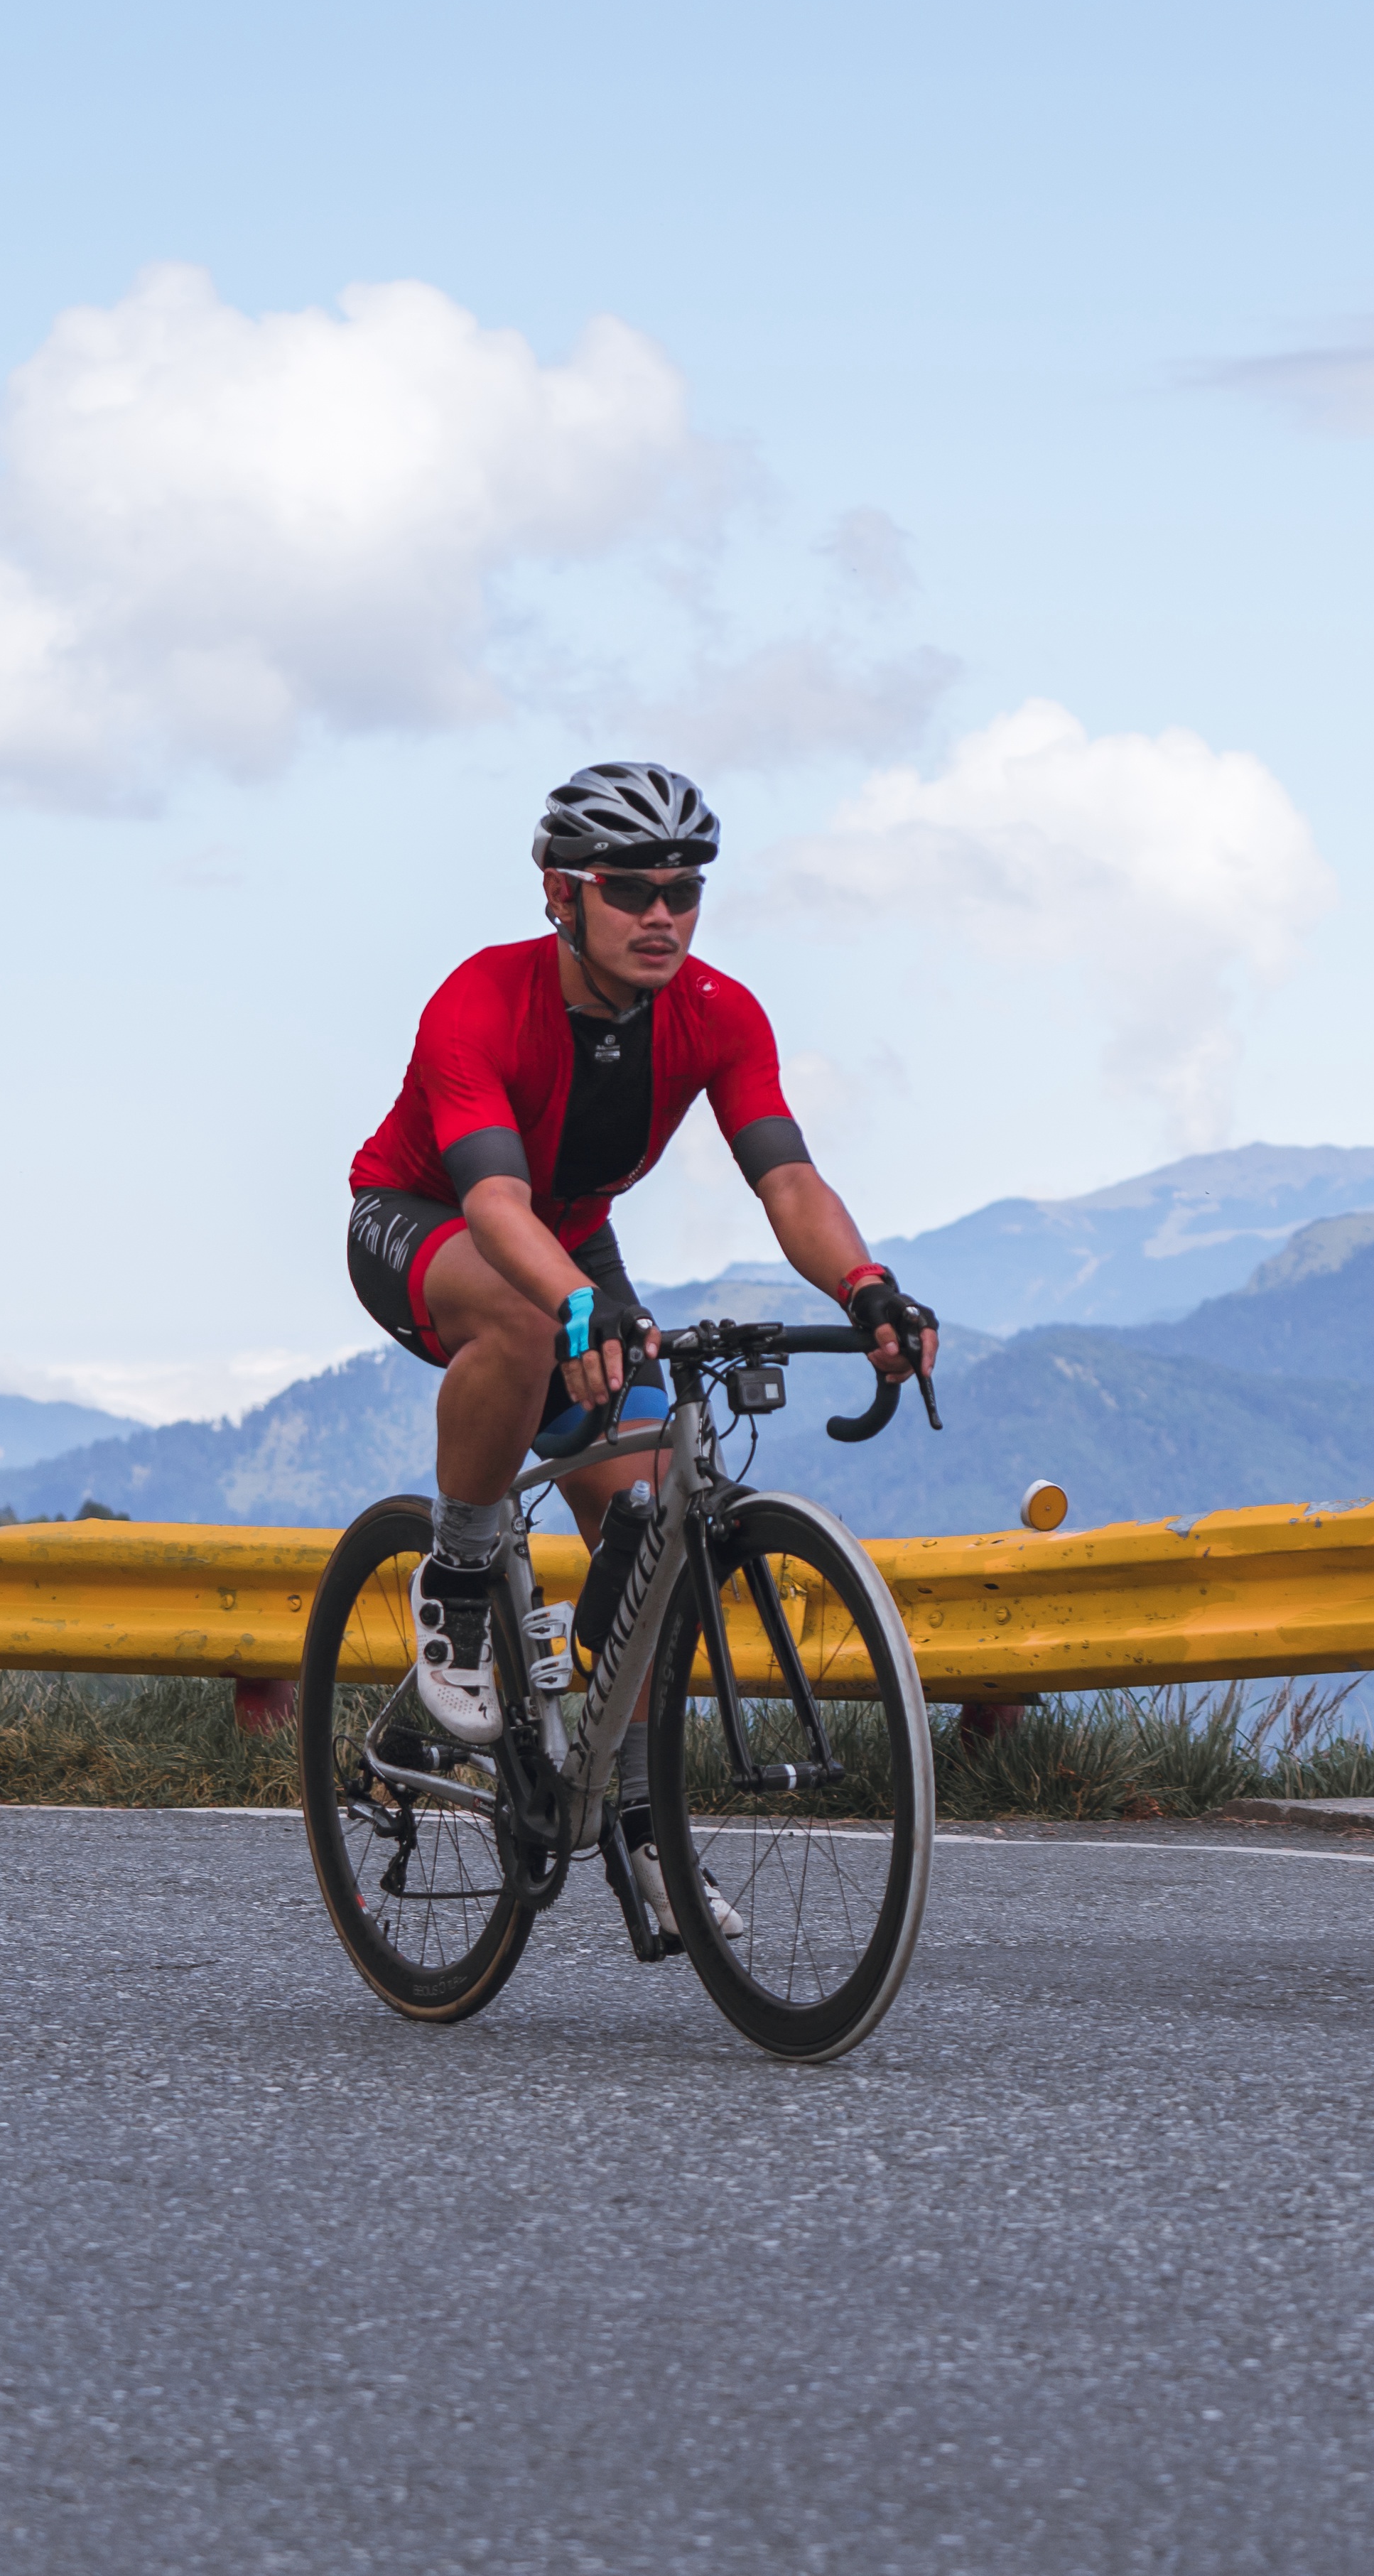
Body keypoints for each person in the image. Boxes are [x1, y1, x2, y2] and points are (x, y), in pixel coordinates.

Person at [344, 762, 937, 1931]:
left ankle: (630, 1813)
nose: (662, 913)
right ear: (564, 897)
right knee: (526, 1314)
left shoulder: (718, 1014)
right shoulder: (479, 1000)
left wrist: (866, 1286)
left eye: (685, 888)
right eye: (631, 890)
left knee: (655, 1512)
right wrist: (580, 1305)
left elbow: (788, 1177)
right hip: (428, 1224)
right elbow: (497, 1207)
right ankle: (462, 1574)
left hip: (568, 1242)